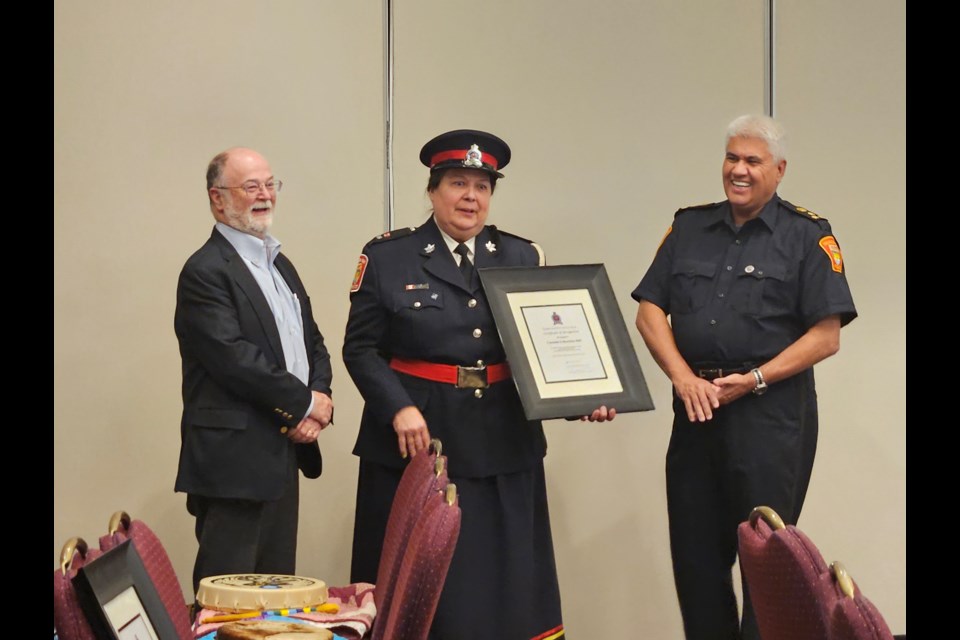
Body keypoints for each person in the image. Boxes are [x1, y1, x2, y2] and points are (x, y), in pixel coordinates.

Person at [343, 129, 613, 640]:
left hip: (501, 443)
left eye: (482, 187)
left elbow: (544, 350)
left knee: (501, 586)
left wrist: (580, 398)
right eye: (458, 183)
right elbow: (360, 349)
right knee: (423, 592)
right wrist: (397, 408)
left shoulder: (520, 257)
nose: (471, 197)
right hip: (417, 443)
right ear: (432, 191)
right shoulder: (388, 257)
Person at [632, 115, 857, 639]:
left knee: (766, 561)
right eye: (732, 158)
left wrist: (754, 379)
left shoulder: (807, 236)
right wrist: (683, 377)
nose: (739, 170)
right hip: (696, 410)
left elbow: (827, 335)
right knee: (694, 560)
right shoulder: (689, 226)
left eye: (752, 161)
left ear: (778, 171)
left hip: (769, 415)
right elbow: (648, 311)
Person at [174, 147, 334, 596]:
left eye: (269, 184)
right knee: (230, 601)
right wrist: (303, 404)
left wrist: (319, 401)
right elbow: (234, 359)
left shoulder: (279, 262)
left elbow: (312, 342)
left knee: (275, 595)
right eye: (250, 187)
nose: (264, 195)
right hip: (233, 465)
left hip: (283, 454)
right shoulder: (205, 271)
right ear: (217, 199)